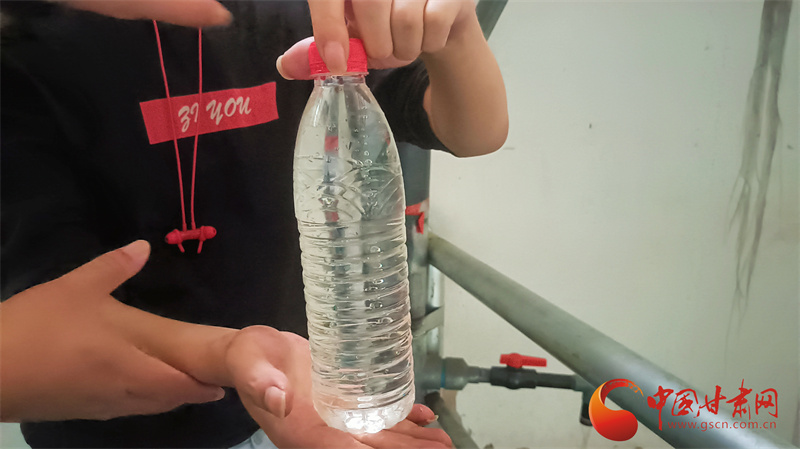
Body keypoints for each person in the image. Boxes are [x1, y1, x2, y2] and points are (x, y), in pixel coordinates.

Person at [0, 0, 508, 447]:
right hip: (113, 422)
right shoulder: (28, 44)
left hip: (308, 392)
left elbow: (474, 133)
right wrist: (233, 358)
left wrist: (456, 36)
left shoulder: (301, 13)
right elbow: (45, 307)